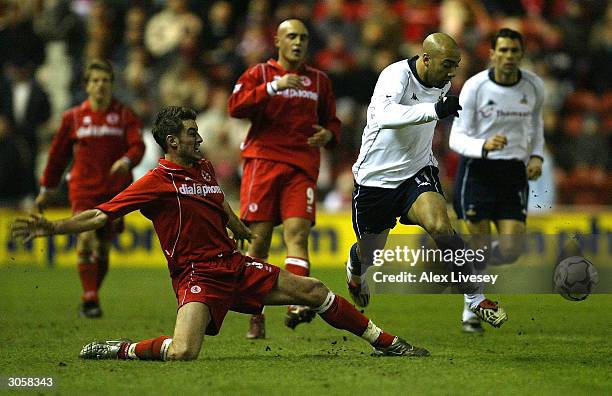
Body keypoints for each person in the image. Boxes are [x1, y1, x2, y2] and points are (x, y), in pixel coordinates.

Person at [12, 106, 429, 361]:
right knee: (183, 352)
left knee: (314, 290)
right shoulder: (156, 181)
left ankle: (386, 341)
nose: (200, 137)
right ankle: (119, 348)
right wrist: (54, 226)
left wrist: (239, 228)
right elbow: (101, 216)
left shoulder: (204, 167)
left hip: (233, 264)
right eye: (193, 133)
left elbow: (219, 203)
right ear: (173, 141)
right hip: (197, 276)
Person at [345, 32, 508, 329]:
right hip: (375, 179)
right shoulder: (396, 76)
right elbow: (384, 115)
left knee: (440, 226)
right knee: (370, 252)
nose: (452, 73)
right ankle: (356, 272)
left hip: (417, 172)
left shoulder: (441, 81)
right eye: (448, 64)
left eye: (456, 65)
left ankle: (476, 298)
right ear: (427, 59)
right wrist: (434, 109)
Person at [228, 19, 341, 338]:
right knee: (259, 240)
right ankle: (255, 312)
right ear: (277, 40)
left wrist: (328, 135)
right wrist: (273, 88)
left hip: (301, 165)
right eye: (291, 36)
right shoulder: (260, 74)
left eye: (303, 37)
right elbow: (235, 106)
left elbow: (333, 121)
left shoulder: (318, 80)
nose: (298, 42)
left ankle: (297, 303)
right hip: (263, 163)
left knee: (297, 234)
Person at [449, 28, 545, 333]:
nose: (508, 56)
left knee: (511, 249)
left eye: (514, 51)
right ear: (492, 53)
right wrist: (483, 146)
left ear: (521, 54)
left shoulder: (533, 86)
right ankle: (470, 308)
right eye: (502, 50)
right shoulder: (475, 87)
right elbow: (456, 138)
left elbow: (536, 124)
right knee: (479, 245)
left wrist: (537, 156)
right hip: (478, 171)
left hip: (513, 173)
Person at [35, 59, 145, 318]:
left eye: (105, 81)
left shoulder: (125, 115)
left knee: (103, 247)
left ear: (112, 84)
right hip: (83, 188)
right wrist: (47, 188)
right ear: (86, 86)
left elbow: (137, 146)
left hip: (114, 191)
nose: (100, 86)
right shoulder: (73, 118)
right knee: (85, 238)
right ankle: (90, 297)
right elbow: (58, 156)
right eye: (95, 81)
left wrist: (127, 161)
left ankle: (92, 293)